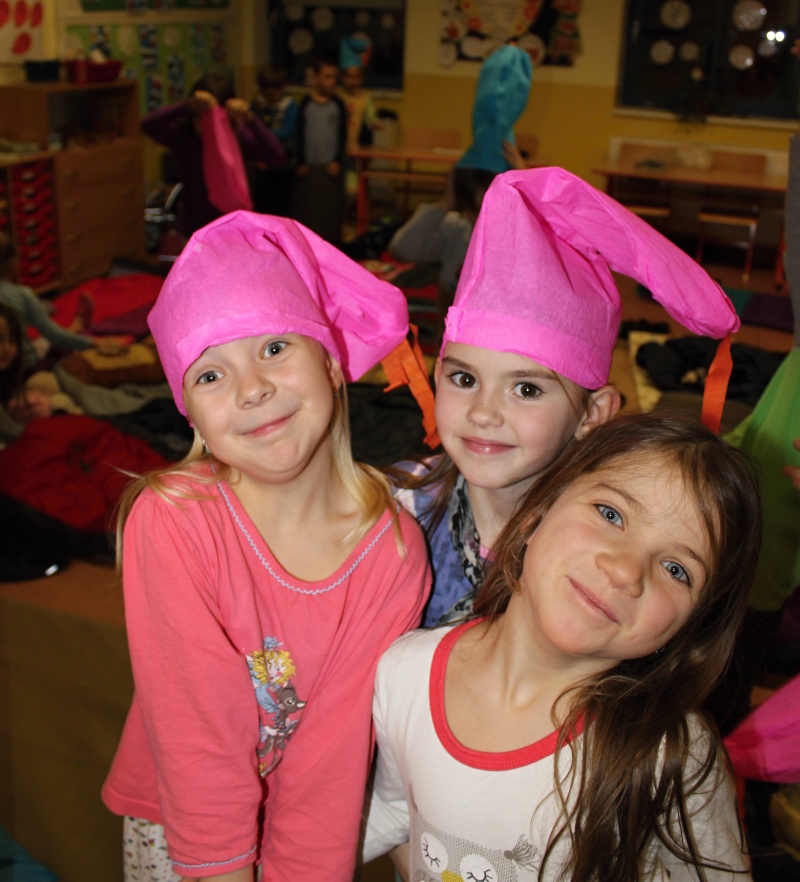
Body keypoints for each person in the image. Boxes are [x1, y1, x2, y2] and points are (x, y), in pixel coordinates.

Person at [101, 211, 432, 881]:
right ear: (190, 412)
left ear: (332, 362)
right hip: (186, 830)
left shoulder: (392, 550)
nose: (252, 389)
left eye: (275, 347)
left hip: (298, 819)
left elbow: (332, 757)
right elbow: (198, 735)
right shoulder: (174, 519)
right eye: (210, 375)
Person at [364, 409, 761, 882]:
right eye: (611, 514)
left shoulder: (669, 757)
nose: (625, 571)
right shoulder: (404, 672)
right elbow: (394, 809)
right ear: (536, 512)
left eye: (677, 570)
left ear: (692, 626)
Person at [392, 167, 742, 629]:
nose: (483, 412)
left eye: (526, 389)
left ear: (593, 414)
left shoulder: (602, 559)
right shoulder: (397, 505)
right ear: (438, 376)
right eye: (464, 379)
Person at [387, 44, 532, 304]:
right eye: (472, 211)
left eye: (488, 211)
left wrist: (527, 192)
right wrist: (443, 204)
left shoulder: (518, 239)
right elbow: (402, 248)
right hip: (451, 324)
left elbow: (547, 248)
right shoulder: (456, 230)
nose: (479, 222)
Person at [140, 72, 285, 240]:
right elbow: (147, 124)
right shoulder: (185, 139)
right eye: (201, 118)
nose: (207, 127)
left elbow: (275, 154)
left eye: (213, 121)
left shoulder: (238, 138)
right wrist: (187, 105)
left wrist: (249, 117)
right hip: (195, 231)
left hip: (232, 231)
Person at [0, 232, 93, 371]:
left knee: (38, 341)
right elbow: (52, 334)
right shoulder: (22, 294)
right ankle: (76, 327)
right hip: (24, 369)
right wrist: (93, 343)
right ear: (12, 263)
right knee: (55, 347)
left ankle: (74, 327)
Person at [290, 54, 347, 244]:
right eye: (327, 76)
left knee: (329, 218)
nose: (332, 81)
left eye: (334, 77)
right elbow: (298, 134)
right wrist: (300, 161)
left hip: (330, 168)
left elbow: (342, 136)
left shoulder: (338, 105)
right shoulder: (305, 103)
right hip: (309, 169)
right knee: (308, 216)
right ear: (316, 77)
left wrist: (337, 160)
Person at [249, 62, 298, 217]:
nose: (269, 98)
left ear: (283, 87)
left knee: (281, 207)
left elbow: (287, 131)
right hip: (262, 165)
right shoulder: (257, 104)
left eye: (272, 94)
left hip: (283, 165)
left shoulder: (288, 105)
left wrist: (263, 134)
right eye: (266, 94)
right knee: (262, 206)